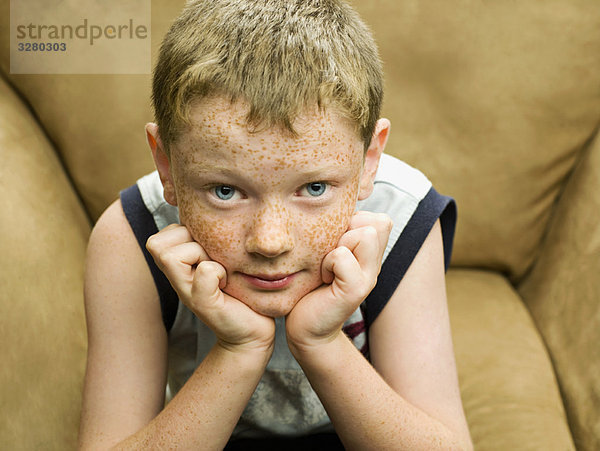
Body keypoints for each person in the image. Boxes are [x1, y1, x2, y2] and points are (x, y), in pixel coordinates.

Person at [78, 0, 473, 449]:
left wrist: (322, 343)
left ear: (369, 162)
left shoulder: (401, 219)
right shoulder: (132, 234)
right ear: (165, 165)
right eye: (225, 192)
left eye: (315, 188)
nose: (270, 241)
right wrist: (238, 350)